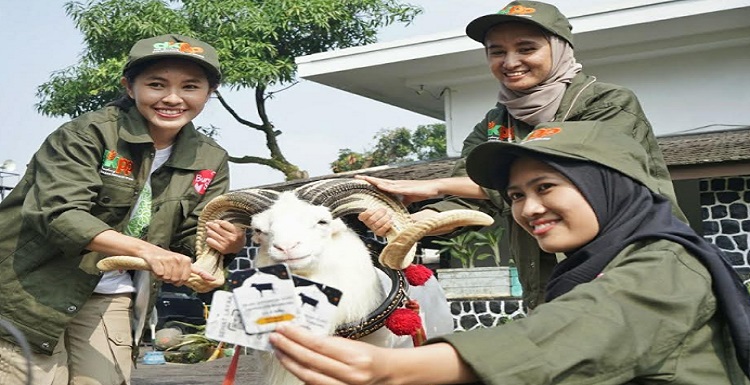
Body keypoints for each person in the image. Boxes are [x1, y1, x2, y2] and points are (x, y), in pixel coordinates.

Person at [269, 121, 750, 385]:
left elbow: (583, 329)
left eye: (546, 187)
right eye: (516, 195)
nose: (529, 208)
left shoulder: (667, 262)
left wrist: (397, 368)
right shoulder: (590, 266)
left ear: (610, 189)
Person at [357, 0, 686, 310]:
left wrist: (437, 185)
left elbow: (578, 176)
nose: (510, 62)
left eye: (526, 48)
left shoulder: (606, 104)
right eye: (496, 52)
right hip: (548, 288)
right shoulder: (496, 123)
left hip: (632, 270)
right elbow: (468, 198)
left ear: (559, 50)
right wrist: (409, 223)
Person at [0, 34, 246, 385]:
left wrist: (225, 245)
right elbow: (60, 214)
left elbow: (195, 235)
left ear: (209, 93)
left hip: (111, 293)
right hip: (29, 289)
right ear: (129, 87)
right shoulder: (85, 134)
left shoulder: (211, 158)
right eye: (156, 84)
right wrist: (147, 251)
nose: (173, 98)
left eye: (190, 86)